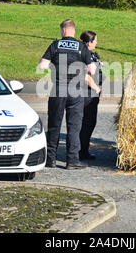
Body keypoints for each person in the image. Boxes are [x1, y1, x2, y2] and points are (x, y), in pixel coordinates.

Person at [38, 19, 95, 170]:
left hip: (58, 89)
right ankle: (72, 161)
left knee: (54, 125)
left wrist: (52, 64)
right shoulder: (81, 47)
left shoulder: (55, 45)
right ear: (73, 31)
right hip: (75, 90)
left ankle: (50, 159)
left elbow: (42, 65)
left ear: (63, 31)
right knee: (74, 127)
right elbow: (92, 70)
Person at [78, 31, 104, 161]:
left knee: (89, 123)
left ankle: (83, 149)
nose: (96, 43)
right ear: (89, 42)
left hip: (91, 94)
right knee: (86, 123)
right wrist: (96, 88)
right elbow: (84, 76)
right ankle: (81, 151)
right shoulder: (84, 55)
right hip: (87, 94)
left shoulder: (88, 54)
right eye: (95, 41)